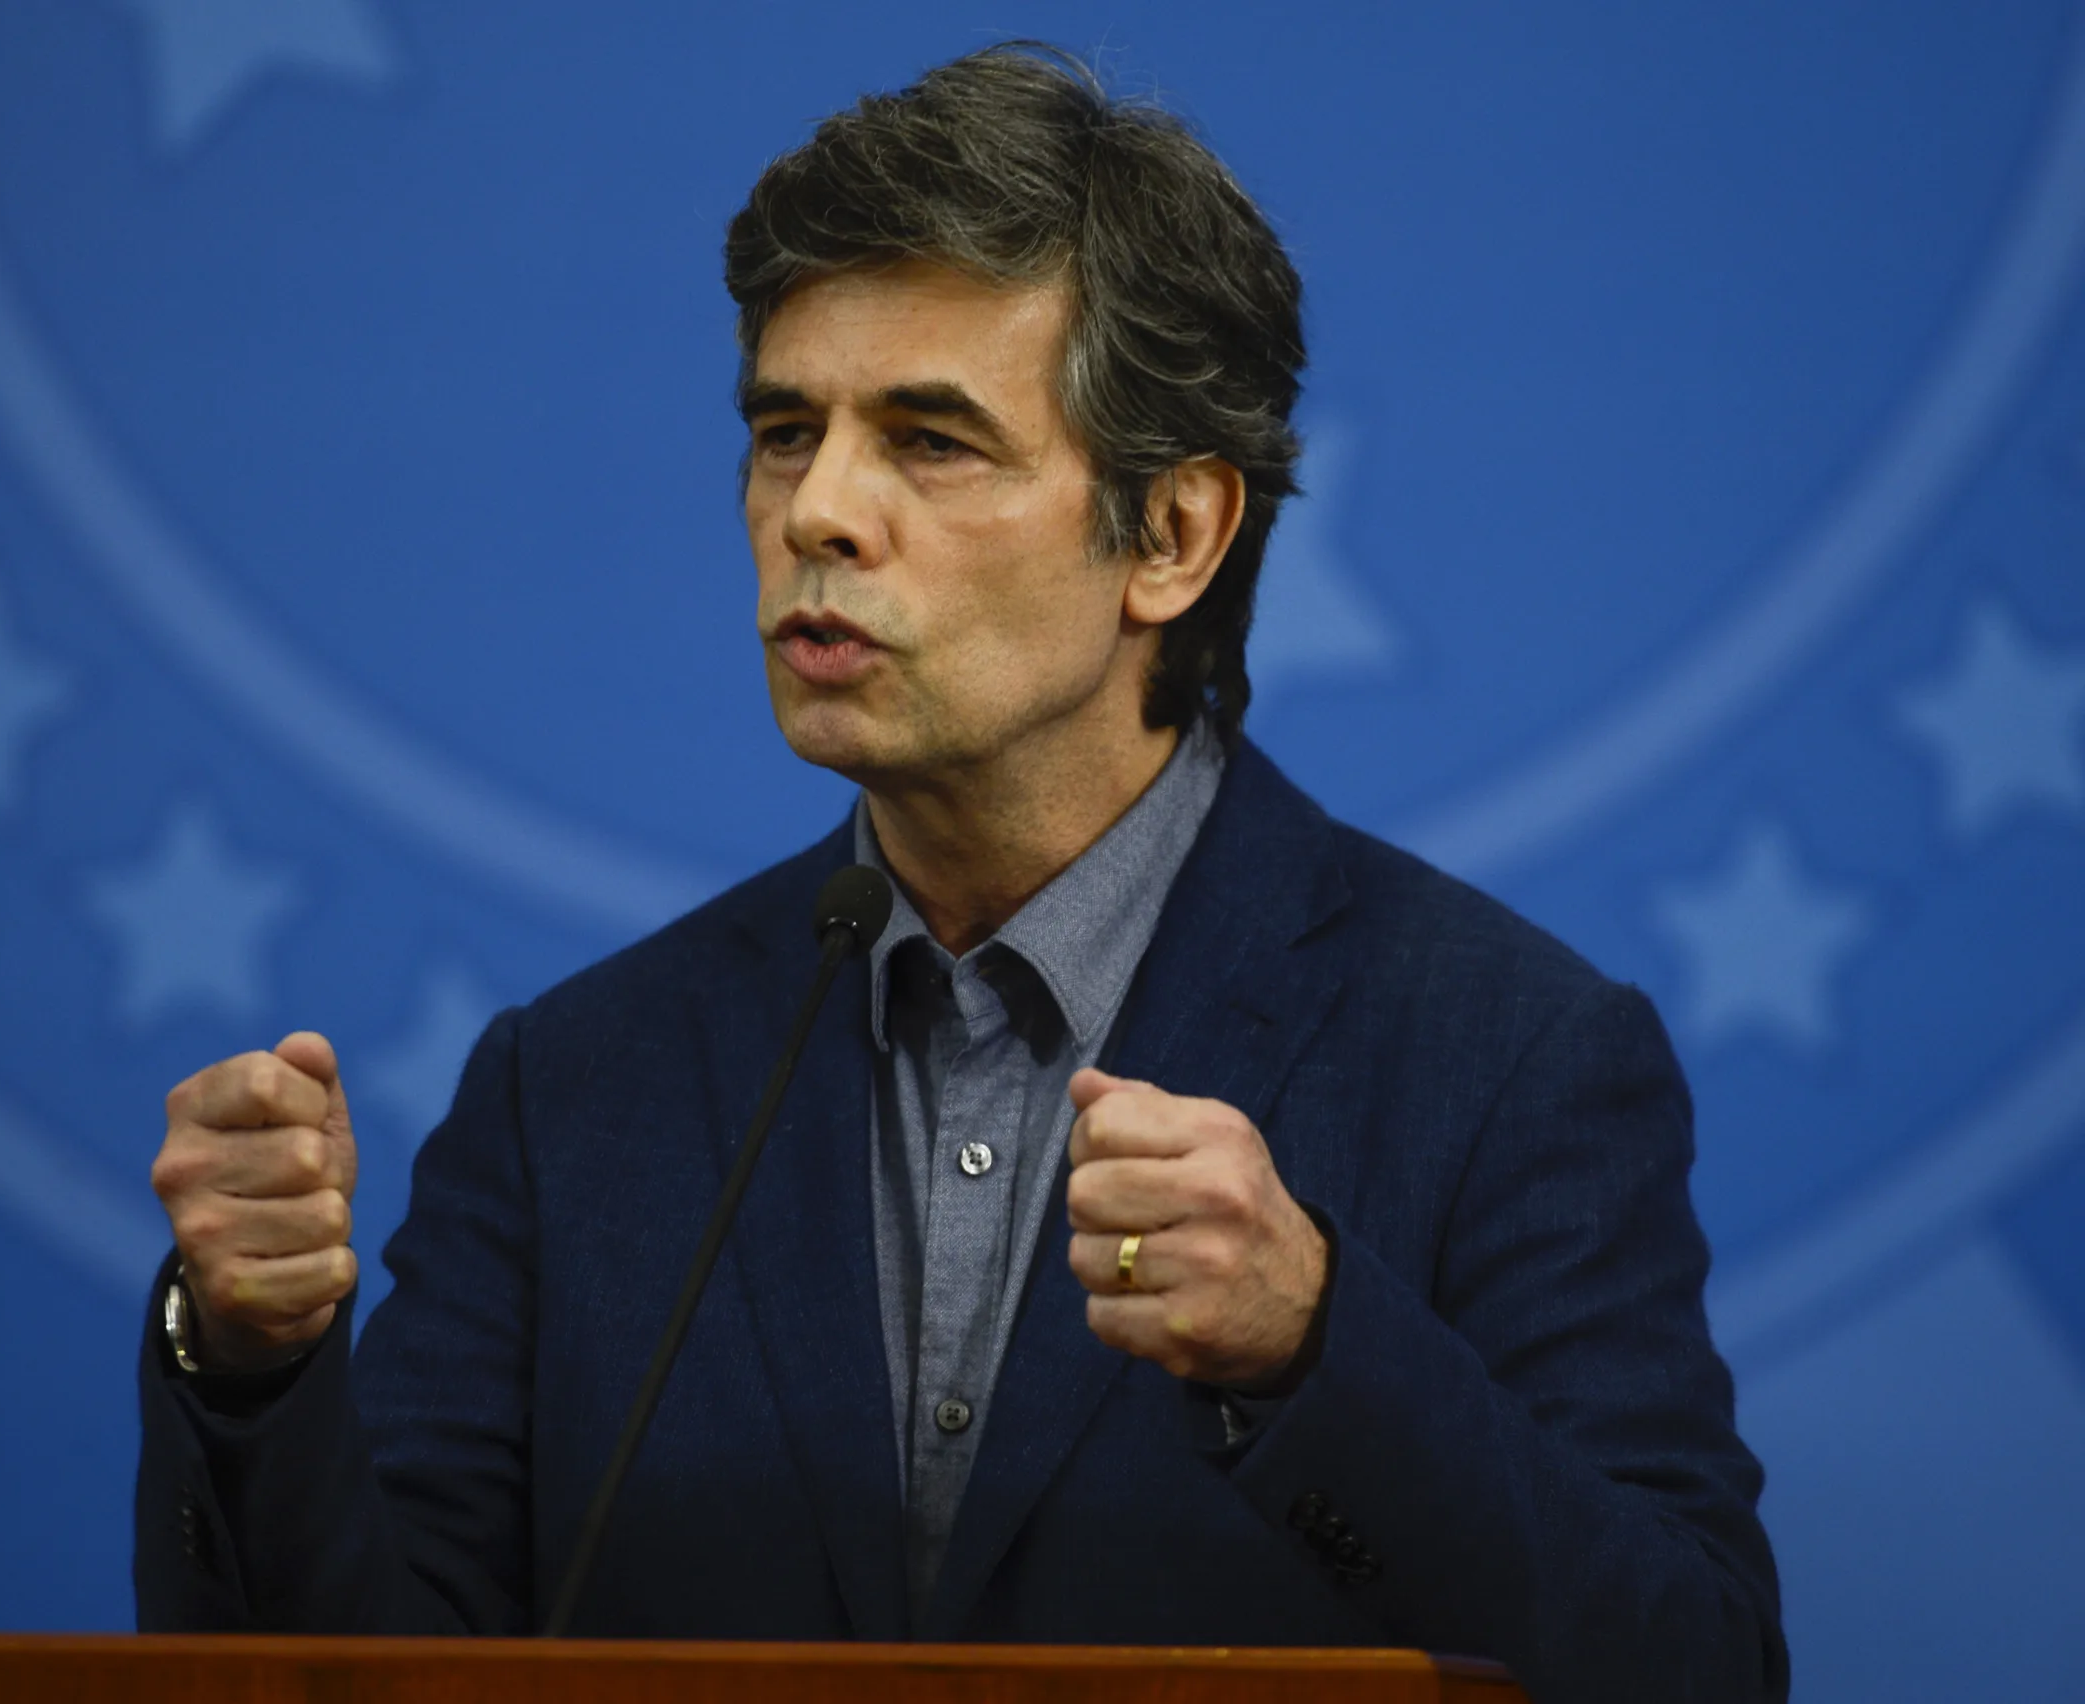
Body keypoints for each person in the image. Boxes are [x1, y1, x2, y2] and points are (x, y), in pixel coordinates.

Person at [133, 44, 1787, 1703]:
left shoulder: (1506, 1057)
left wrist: (1316, 1345)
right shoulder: (571, 1093)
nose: (818, 513)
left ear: (1172, 537)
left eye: (931, 441)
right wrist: (255, 1363)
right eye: (788, 432)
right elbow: (372, 1675)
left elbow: (1694, 1669)